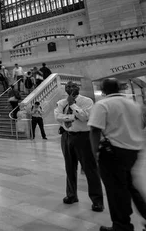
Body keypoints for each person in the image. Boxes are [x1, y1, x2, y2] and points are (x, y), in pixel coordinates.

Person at [88, 78, 146, 231]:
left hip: (112, 153)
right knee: (130, 187)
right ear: (120, 88)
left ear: (103, 90)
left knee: (115, 191)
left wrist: (94, 154)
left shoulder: (102, 104)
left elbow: (95, 130)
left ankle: (121, 226)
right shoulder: (133, 104)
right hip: (133, 151)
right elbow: (141, 125)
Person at [54, 82, 104, 212]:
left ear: (78, 89)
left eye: (73, 87)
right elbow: (57, 116)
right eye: (68, 88)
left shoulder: (87, 101)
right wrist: (71, 116)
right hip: (67, 136)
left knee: (90, 169)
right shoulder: (61, 103)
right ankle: (71, 195)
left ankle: (97, 200)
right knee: (69, 168)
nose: (70, 89)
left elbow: (85, 117)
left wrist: (72, 105)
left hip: (83, 137)